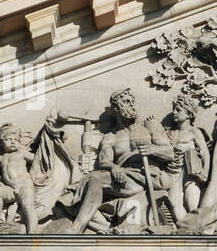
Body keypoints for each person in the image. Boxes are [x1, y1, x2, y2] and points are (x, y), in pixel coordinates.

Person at [70, 88, 177, 233]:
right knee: (93, 179)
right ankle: (78, 226)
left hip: (147, 175)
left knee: (95, 179)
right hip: (123, 177)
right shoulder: (110, 137)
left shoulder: (148, 126)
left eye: (132, 101)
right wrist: (114, 167)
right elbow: (103, 161)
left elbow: (170, 152)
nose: (132, 105)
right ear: (115, 108)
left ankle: (77, 228)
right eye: (126, 102)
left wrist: (152, 150)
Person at [0, 123, 40, 233]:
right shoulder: (0, 158)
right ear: (2, 143)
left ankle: (32, 233)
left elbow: (37, 159)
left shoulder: (21, 153)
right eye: (8, 139)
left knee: (28, 206)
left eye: (16, 140)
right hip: (10, 189)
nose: (13, 142)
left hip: (24, 186)